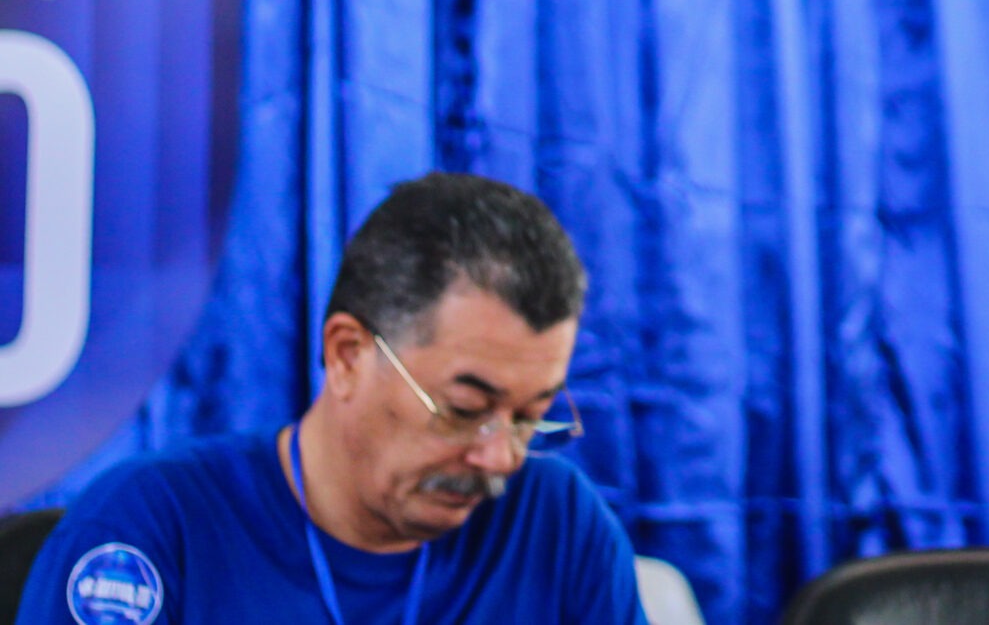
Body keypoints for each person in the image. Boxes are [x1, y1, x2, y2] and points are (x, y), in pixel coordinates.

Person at [20, 172, 642, 625]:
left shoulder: (559, 526)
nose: (500, 458)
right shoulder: (149, 531)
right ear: (348, 354)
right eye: (464, 410)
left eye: (530, 417)